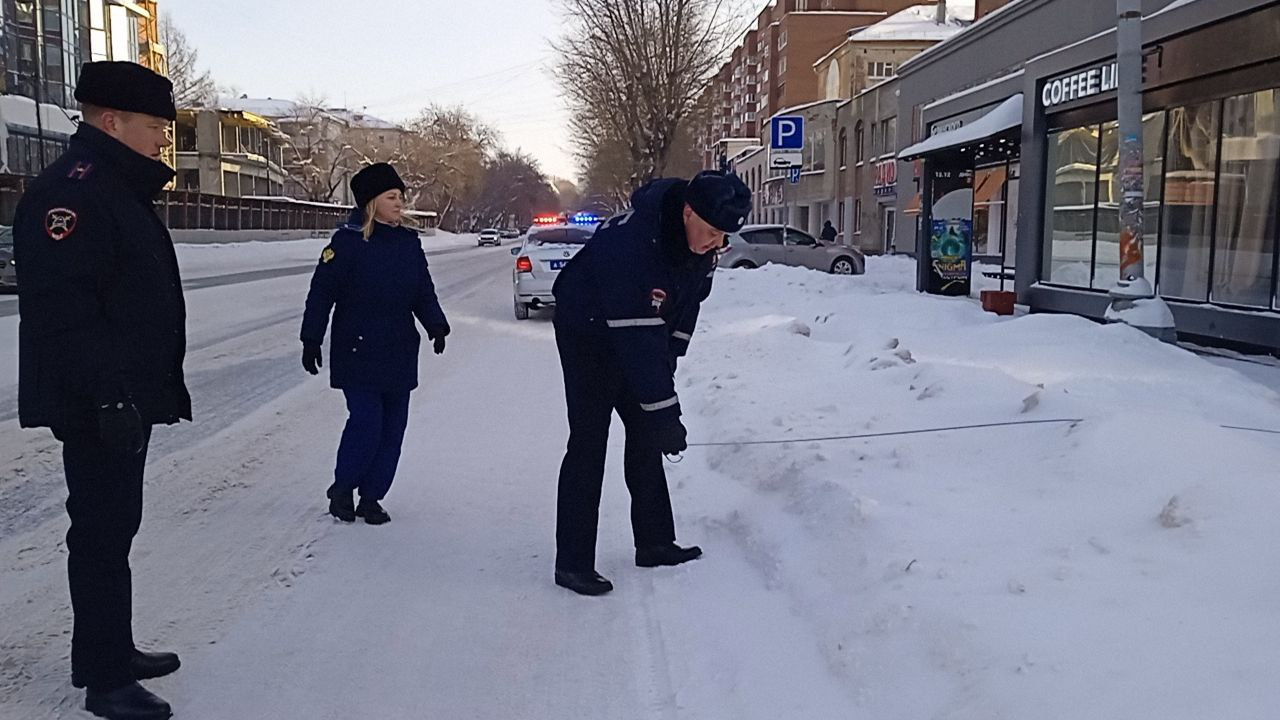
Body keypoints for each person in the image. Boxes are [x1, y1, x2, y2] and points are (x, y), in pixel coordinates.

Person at [15, 61, 187, 720]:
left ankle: (106, 650)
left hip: (121, 396)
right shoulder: (78, 192)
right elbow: (66, 311)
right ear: (111, 122)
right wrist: (111, 396)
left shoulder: (113, 185)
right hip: (99, 400)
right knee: (100, 533)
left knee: (114, 530)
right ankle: (106, 679)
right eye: (154, 127)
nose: (163, 141)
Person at [550, 170, 752, 596]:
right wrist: (665, 410)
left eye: (725, 237)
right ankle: (572, 562)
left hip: (634, 327)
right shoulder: (633, 247)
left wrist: (669, 371)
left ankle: (655, 542)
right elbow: (637, 338)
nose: (717, 244)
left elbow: (685, 308)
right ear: (687, 212)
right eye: (713, 232)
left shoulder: (701, 245)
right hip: (586, 329)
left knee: (644, 434)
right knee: (590, 441)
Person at [301, 163, 450, 526]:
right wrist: (311, 338)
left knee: (393, 427)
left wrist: (436, 325)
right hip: (358, 350)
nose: (400, 203)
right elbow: (321, 293)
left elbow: (422, 290)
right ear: (371, 202)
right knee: (367, 422)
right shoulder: (347, 244)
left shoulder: (408, 243)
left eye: (401, 196)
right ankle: (343, 489)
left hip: (399, 349)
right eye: (391, 197)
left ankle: (371, 497)